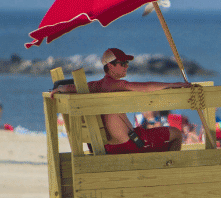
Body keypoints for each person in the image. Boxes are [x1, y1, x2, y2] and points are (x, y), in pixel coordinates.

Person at [48, 47, 189, 154]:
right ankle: (170, 168)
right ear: (110, 66)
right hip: (130, 143)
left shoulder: (95, 86)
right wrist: (173, 84)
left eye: (126, 63)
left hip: (107, 146)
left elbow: (71, 87)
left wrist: (60, 89)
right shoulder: (116, 84)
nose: (126, 66)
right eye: (122, 63)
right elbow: (145, 87)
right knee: (176, 133)